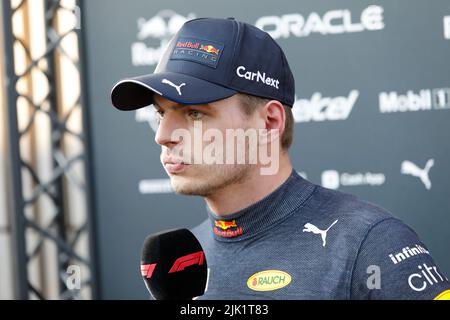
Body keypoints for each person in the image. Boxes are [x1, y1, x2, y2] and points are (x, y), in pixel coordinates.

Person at [111, 17, 450, 299]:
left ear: (269, 122)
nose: (163, 135)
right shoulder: (183, 259)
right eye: (160, 114)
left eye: (194, 114)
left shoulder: (369, 243)